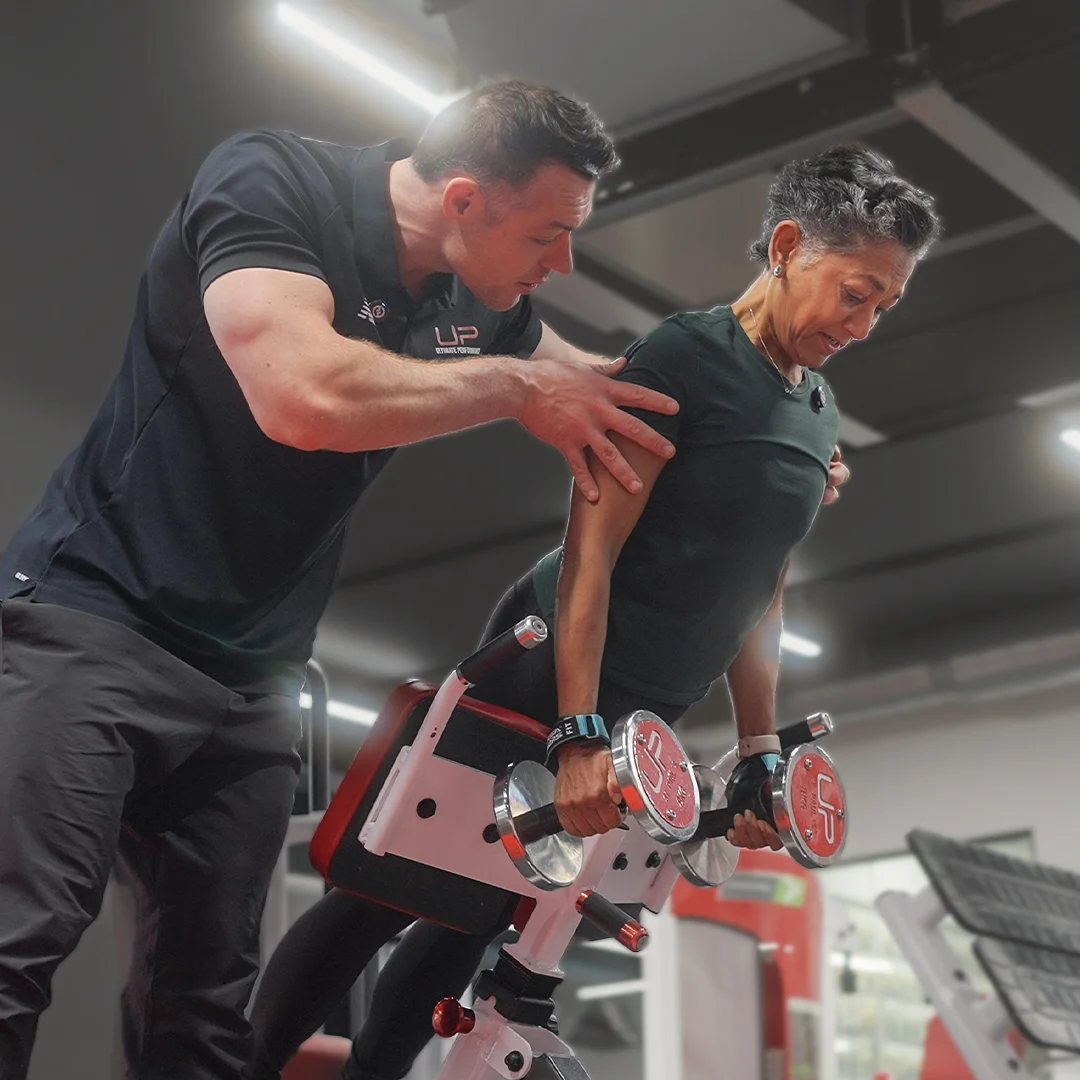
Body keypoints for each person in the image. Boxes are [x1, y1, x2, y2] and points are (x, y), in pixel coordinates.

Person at [0, 80, 705, 1080]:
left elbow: (608, 388)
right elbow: (304, 396)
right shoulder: (273, 185)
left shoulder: (483, 297)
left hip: (249, 680)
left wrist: (759, 442)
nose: (565, 262)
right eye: (550, 233)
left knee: (202, 1008)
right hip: (95, 618)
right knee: (17, 945)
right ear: (465, 198)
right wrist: (513, 387)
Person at [245, 143, 939, 1080]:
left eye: (884, 307)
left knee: (481, 916)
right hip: (545, 667)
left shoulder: (817, 408)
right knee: (395, 888)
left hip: (644, 705)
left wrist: (761, 745)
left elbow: (759, 588)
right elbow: (589, 559)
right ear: (785, 246)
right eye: (855, 293)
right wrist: (574, 731)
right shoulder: (686, 358)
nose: (863, 324)